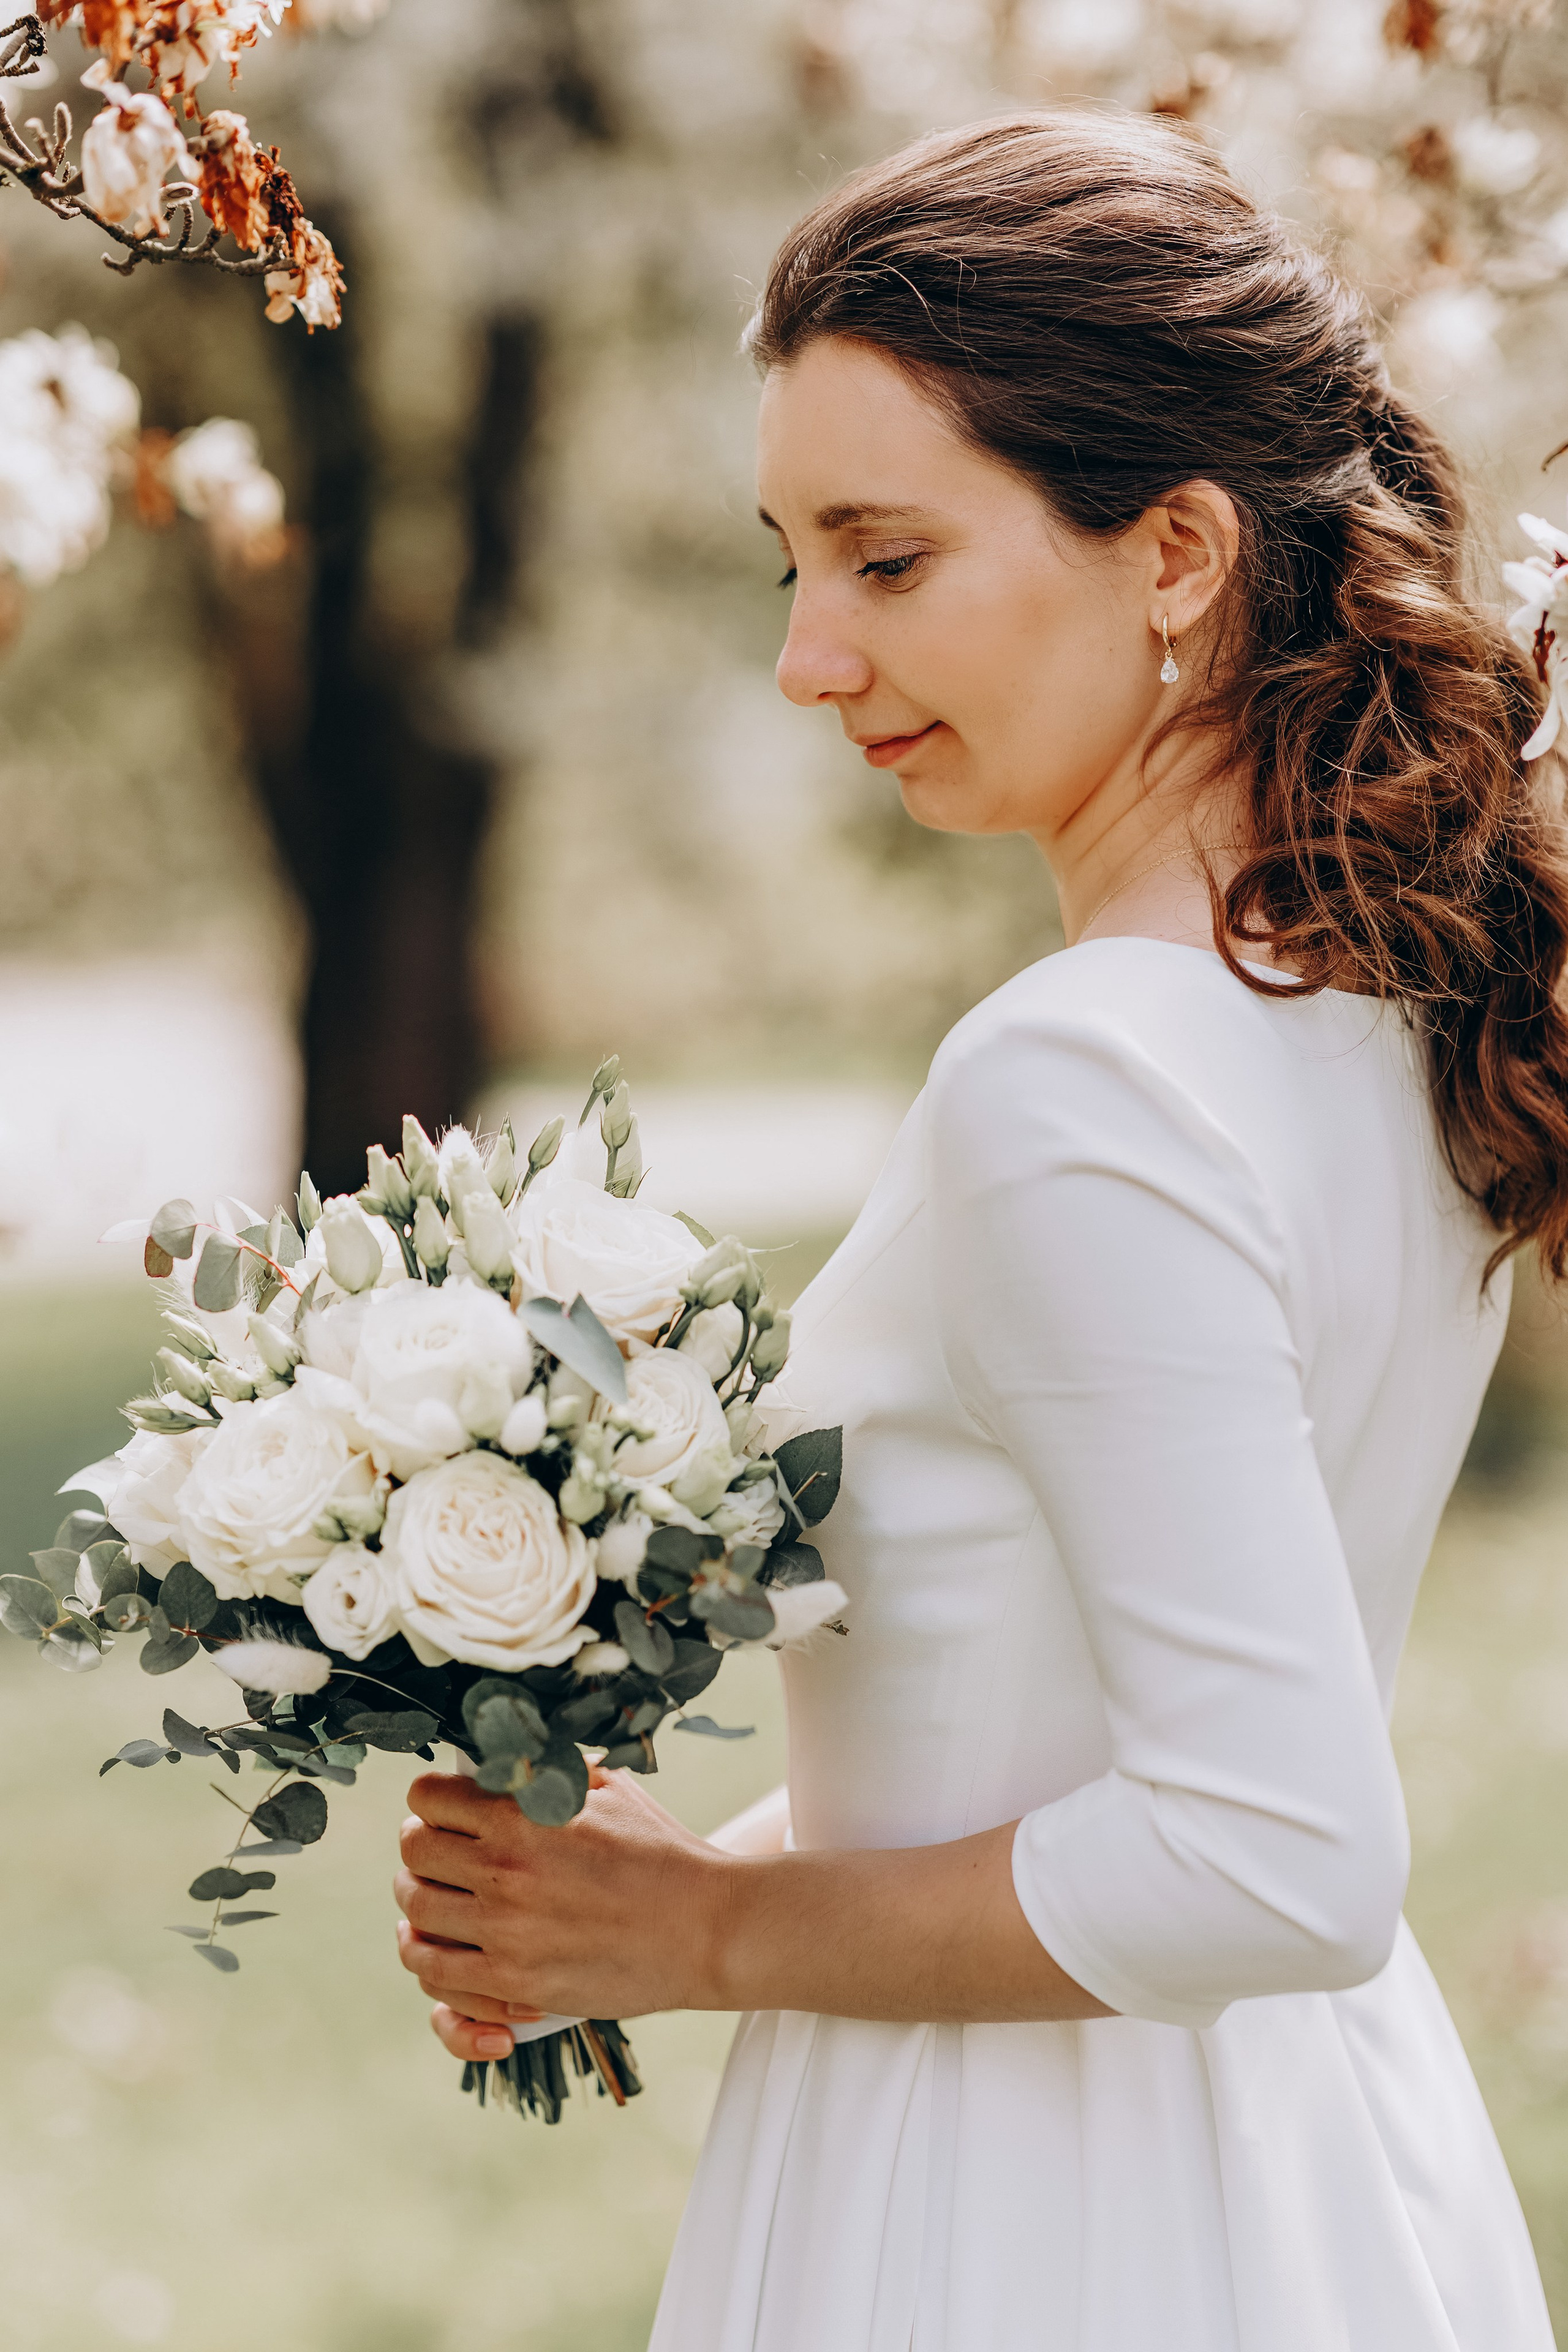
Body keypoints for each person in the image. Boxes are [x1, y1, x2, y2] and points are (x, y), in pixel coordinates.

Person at [391, 113, 1568, 2349]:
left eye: (888, 560)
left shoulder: (1084, 1078)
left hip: (1039, 2216)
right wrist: (623, 1901)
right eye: (787, 567)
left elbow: (1273, 1853)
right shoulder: (1375, 1012)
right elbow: (1083, 1746)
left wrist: (708, 1945)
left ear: (1180, 555)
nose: (810, 658)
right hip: (1291, 2162)